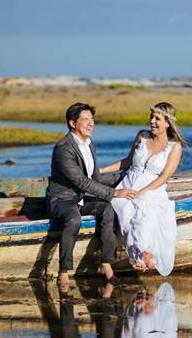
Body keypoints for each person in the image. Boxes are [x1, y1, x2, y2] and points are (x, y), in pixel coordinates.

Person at [47, 102, 140, 289]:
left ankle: (106, 263)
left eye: (92, 119)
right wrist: (114, 193)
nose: (91, 124)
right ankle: (63, 271)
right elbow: (81, 181)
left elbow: (94, 177)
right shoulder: (64, 148)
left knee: (107, 209)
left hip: (81, 198)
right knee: (74, 220)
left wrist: (125, 177)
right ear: (73, 123)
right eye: (86, 119)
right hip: (62, 199)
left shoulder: (90, 145)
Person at [100, 102, 185, 275]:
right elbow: (128, 161)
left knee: (144, 208)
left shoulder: (174, 147)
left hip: (153, 187)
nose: (152, 121)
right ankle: (142, 254)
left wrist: (143, 191)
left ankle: (142, 255)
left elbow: (164, 176)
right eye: (151, 118)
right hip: (129, 182)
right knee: (122, 206)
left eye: (157, 119)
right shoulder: (142, 136)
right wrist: (101, 170)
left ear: (168, 123)